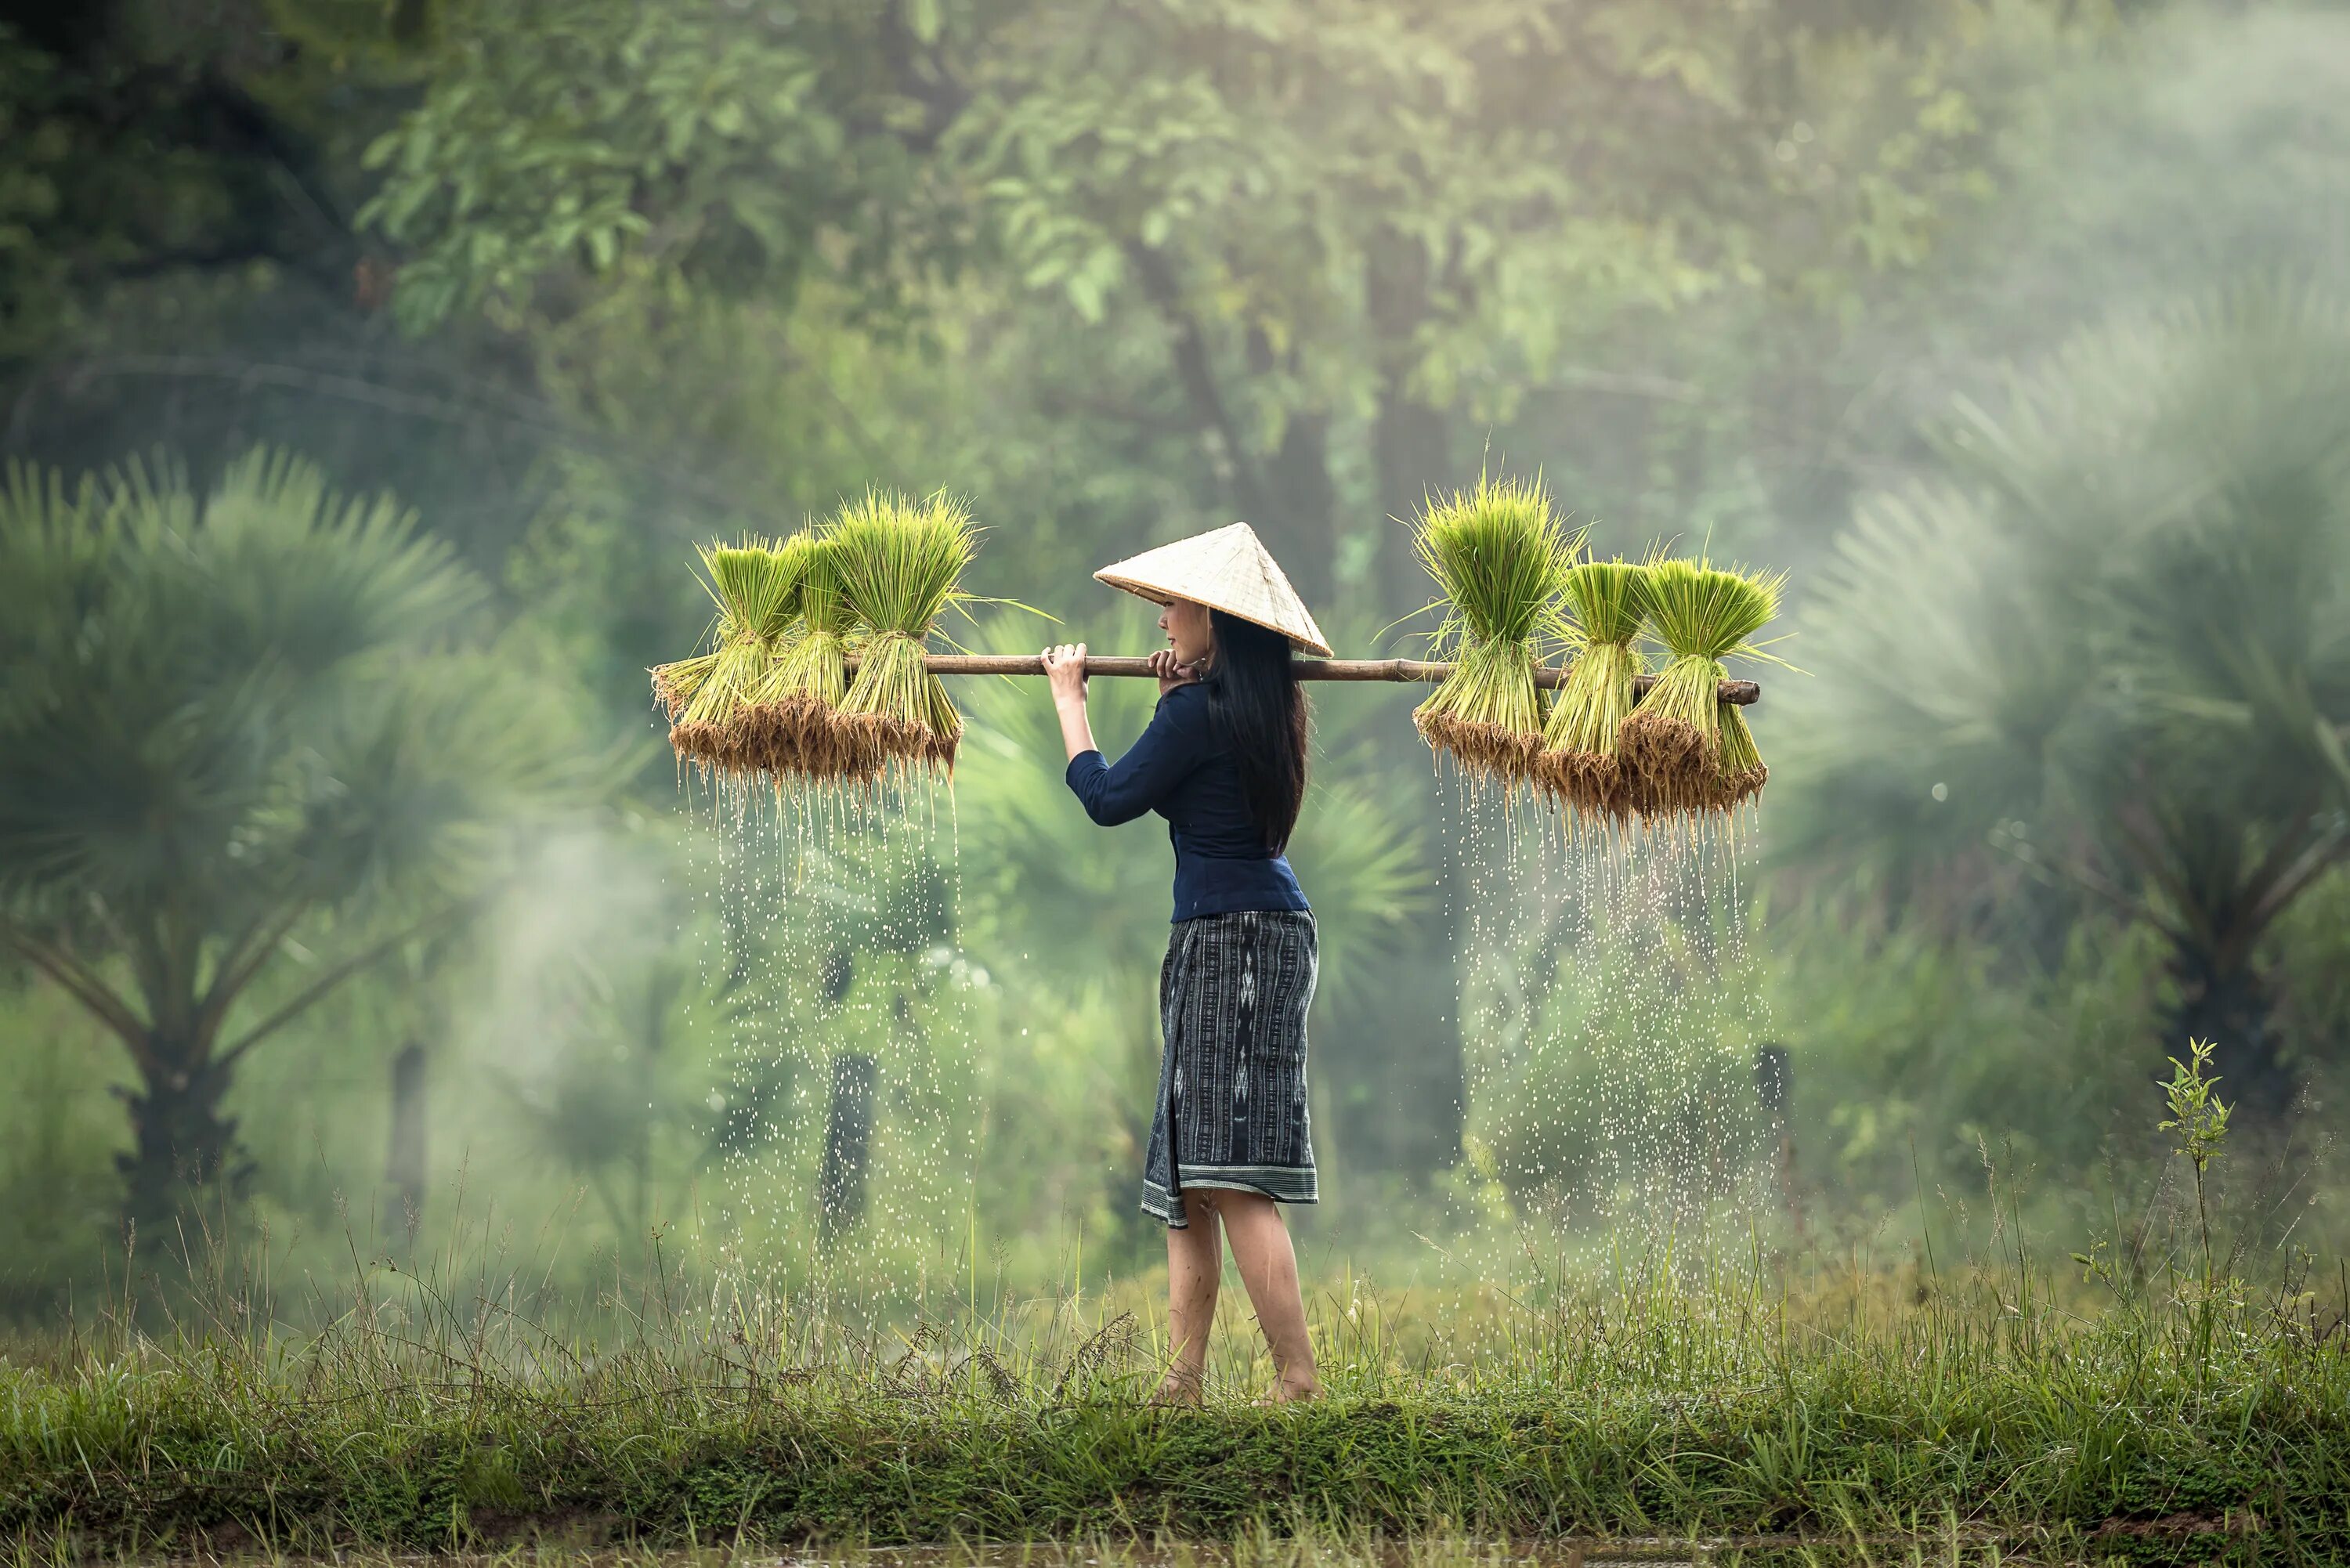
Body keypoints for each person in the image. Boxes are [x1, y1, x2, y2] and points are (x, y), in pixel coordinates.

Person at [1039, 522, 1333, 1405]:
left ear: (1214, 617)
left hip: (1234, 939)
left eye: (1173, 606)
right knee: (1191, 1172)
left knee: (1229, 1174)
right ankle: (1183, 1379)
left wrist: (1069, 698)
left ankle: (1297, 1377)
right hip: (1245, 930)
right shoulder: (1257, 709)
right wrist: (1175, 699)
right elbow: (1190, 773)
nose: (1162, 621)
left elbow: (1108, 797)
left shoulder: (1199, 714)